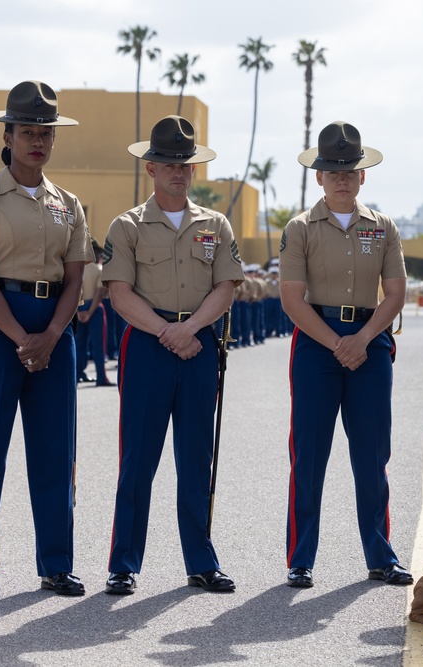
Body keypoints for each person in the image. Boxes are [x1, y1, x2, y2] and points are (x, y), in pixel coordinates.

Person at [0, 80, 91, 601]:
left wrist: (52, 335)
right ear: (7, 136)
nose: (38, 140)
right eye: (28, 131)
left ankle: (56, 564)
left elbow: (76, 276)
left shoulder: (69, 203)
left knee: (57, 452)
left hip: (55, 330)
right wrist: (22, 338)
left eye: (46, 132)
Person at [103, 115, 244, 595]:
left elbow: (226, 287)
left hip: (199, 343)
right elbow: (119, 293)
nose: (177, 171)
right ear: (150, 167)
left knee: (195, 458)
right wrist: (168, 331)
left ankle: (201, 561)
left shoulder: (216, 224)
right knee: (138, 460)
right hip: (149, 344)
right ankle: (123, 563)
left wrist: (191, 329)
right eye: (167, 162)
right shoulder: (127, 226)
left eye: (185, 163)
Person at [279, 121, 410, 589]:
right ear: (318, 176)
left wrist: (362, 338)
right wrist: (337, 342)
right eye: (331, 170)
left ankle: (380, 555)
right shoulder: (300, 229)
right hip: (317, 342)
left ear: (362, 176)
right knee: (309, 455)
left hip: (370, 340)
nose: (340, 178)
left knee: (372, 455)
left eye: (349, 170)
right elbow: (292, 299)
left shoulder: (384, 227)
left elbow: (395, 292)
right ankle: (300, 558)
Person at [75, 243, 112, 386]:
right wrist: (90, 312)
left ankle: (77, 375)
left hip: (78, 307)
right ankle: (101, 377)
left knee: (79, 345)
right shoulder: (98, 269)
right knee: (98, 346)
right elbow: (100, 292)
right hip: (94, 308)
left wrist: (78, 311)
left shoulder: (77, 269)